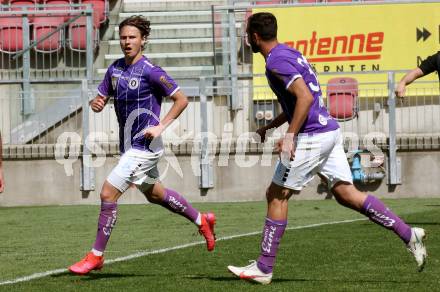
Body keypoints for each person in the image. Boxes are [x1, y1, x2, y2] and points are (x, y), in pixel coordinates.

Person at [227, 12, 427, 285]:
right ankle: (408, 233)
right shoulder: (289, 53)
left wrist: (289, 136)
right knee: (346, 194)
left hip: (312, 137)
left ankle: (263, 267)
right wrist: (272, 126)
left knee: (276, 195)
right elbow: (298, 100)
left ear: (254, 36)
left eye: (246, 33)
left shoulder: (275, 62)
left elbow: (305, 97)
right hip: (328, 131)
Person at [69, 15, 216, 275]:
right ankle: (201, 219)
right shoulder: (114, 69)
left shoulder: (151, 71)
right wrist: (98, 103)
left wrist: (161, 126)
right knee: (155, 194)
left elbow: (181, 99)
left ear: (143, 40)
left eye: (132, 37)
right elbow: (101, 96)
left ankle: (96, 256)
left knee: (107, 193)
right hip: (128, 145)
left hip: (145, 145)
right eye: (123, 37)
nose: (127, 42)